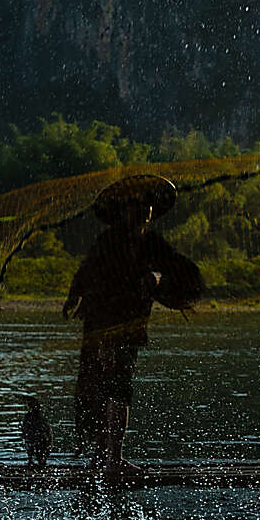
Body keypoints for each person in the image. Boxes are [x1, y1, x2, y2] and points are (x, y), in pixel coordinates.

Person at [62, 175, 203, 481]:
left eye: (146, 205)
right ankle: (110, 459)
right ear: (123, 211)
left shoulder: (153, 244)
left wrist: (157, 278)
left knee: (115, 388)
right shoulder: (109, 243)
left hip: (130, 327)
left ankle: (107, 457)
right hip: (104, 325)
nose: (142, 210)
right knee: (109, 388)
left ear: (152, 211)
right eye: (134, 205)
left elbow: (185, 274)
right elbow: (91, 279)